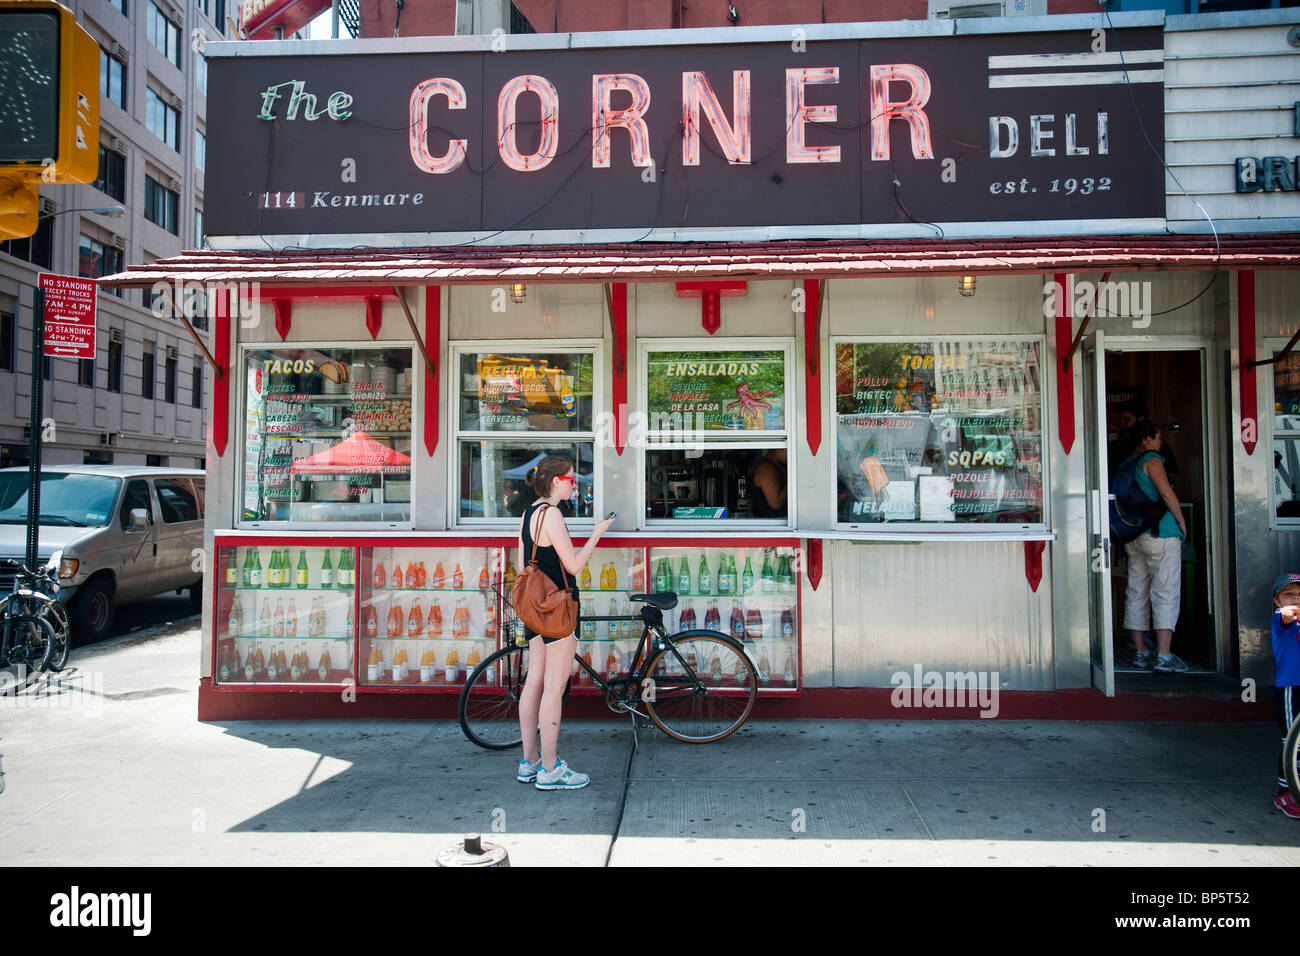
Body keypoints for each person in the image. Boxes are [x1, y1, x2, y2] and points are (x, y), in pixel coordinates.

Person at [515, 455, 614, 790]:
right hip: (558, 608)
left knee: (533, 683)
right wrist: (597, 534)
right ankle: (551, 768)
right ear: (557, 481)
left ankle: (528, 763)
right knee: (554, 687)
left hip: (534, 608)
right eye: (573, 480)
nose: (576, 484)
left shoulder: (529, 512)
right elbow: (572, 566)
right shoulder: (554, 515)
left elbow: (523, 565)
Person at [1119, 421, 1189, 673]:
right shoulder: (1152, 460)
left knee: (1136, 591)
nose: (1161, 443)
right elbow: (1166, 494)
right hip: (1161, 535)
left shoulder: (1127, 461)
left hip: (1134, 536)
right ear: (1147, 439)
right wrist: (1181, 520)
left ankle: (1140, 652)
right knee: (1165, 592)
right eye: (1158, 438)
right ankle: (1164, 655)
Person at [1269, 572, 1300, 818]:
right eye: (1288, 595)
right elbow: (1287, 617)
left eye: (1299, 596)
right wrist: (1289, 611)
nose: (1295, 600)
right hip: (1291, 688)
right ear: (1277, 601)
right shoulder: (1281, 616)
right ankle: (1285, 792)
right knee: (1291, 742)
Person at [751, 448, 788, 518]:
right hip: (771, 523)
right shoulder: (766, 468)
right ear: (778, 449)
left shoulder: (777, 465)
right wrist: (792, 482)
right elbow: (775, 503)